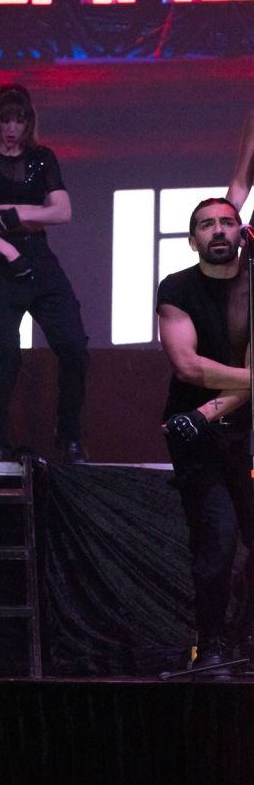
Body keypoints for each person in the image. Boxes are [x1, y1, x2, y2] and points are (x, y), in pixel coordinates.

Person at [0, 83, 89, 464]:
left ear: (28, 122)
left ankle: (69, 434)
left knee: (74, 346)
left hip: (38, 258)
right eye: (5, 120)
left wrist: (14, 213)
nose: (12, 128)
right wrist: (7, 248)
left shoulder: (42, 158)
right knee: (2, 354)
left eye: (19, 120)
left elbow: (63, 211)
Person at [157, 197, 254, 677]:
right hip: (196, 436)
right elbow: (188, 366)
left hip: (246, 431)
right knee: (217, 538)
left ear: (241, 232)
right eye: (206, 224)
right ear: (192, 240)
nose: (218, 230)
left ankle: (242, 637)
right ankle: (210, 644)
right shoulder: (177, 287)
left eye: (227, 222)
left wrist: (216, 405)